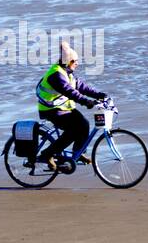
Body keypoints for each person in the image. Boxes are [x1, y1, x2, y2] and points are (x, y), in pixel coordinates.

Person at [35, 41, 108, 171]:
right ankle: (47, 154)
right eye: (75, 61)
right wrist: (86, 102)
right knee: (73, 131)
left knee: (84, 125)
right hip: (51, 110)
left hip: (63, 108)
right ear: (68, 62)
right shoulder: (56, 75)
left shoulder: (67, 72)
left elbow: (81, 87)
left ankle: (77, 153)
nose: (77, 63)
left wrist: (99, 95)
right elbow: (70, 92)